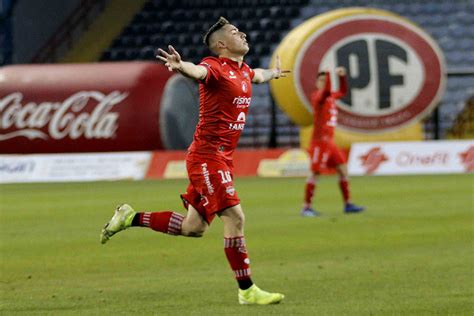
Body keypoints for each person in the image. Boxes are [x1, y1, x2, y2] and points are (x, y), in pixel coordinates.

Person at [100, 17, 289, 305]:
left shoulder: (243, 71)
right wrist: (181, 67)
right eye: (236, 33)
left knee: (193, 228)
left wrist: (273, 73)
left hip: (222, 159)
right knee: (235, 218)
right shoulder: (215, 67)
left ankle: (130, 217)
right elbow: (197, 72)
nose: (244, 34)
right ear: (222, 44)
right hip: (207, 157)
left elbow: (258, 75)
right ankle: (247, 290)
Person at [301, 67, 365, 217]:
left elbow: (342, 91)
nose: (324, 82)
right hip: (319, 142)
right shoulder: (318, 97)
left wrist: (342, 77)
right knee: (315, 172)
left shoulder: (330, 97)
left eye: (325, 80)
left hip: (330, 142)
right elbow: (328, 90)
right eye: (321, 80)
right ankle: (306, 207)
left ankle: (348, 204)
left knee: (343, 169)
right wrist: (329, 74)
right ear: (317, 83)